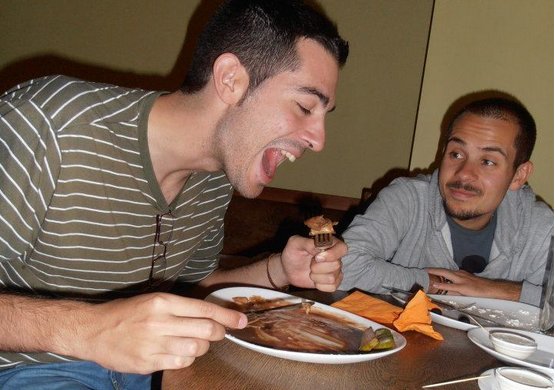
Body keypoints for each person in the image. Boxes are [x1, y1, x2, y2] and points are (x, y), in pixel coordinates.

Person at [0, 0, 349, 388]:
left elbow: (195, 289)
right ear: (231, 78)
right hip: (27, 369)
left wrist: (279, 271)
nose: (319, 141)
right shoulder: (50, 125)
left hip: (154, 370)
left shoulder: (216, 176)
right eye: (304, 106)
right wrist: (91, 329)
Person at [339, 96, 553, 306]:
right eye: (456, 154)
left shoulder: (539, 225)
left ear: (519, 175)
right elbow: (343, 267)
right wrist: (433, 284)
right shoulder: (408, 199)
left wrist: (493, 289)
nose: (464, 174)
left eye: (487, 161)